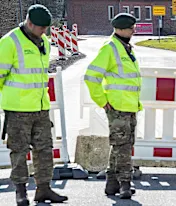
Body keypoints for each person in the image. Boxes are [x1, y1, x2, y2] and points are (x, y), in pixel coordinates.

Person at [0, 4, 68, 206]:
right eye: (41, 28)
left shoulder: (44, 42)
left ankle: (43, 188)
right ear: (29, 23)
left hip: (40, 108)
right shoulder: (9, 42)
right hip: (18, 109)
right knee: (19, 152)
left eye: (46, 28)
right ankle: (21, 192)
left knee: (45, 149)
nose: (44, 31)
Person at [84, 13, 142, 199]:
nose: (134, 31)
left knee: (121, 145)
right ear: (122, 29)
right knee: (123, 146)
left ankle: (111, 183)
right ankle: (125, 183)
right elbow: (91, 77)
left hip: (129, 106)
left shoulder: (124, 47)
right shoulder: (110, 48)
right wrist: (102, 100)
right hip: (117, 107)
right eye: (132, 28)